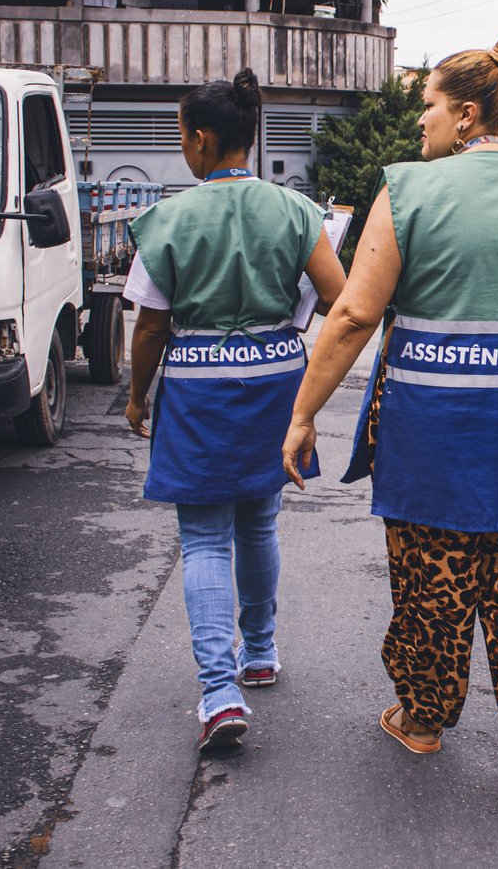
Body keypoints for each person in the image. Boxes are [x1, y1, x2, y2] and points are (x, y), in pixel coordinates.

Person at [280, 25, 498, 814]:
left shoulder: (410, 191)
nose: (417, 121)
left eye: (426, 104)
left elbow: (354, 314)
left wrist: (302, 414)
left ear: (464, 116)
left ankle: (423, 719)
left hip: (431, 433)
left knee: (433, 588)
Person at [123, 69, 346, 751]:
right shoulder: (298, 212)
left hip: (198, 391)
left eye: (182, 135)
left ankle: (220, 692)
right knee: (258, 522)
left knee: (204, 539)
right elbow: (341, 300)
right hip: (278, 385)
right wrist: (291, 323)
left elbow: (151, 327)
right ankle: (260, 650)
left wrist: (137, 396)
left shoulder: (168, 219)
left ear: (201, 138)